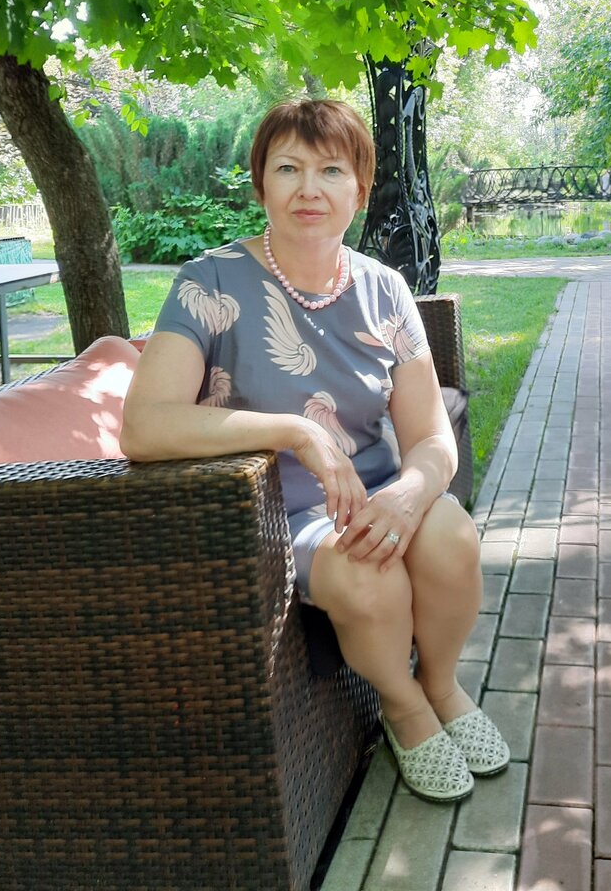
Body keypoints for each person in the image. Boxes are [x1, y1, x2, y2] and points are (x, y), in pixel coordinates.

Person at [120, 99, 509, 803]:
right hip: (275, 510)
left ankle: (441, 684)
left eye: (331, 171)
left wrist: (411, 492)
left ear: (359, 190)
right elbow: (145, 426)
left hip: (380, 491)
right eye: (288, 169)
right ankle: (403, 708)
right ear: (260, 184)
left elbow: (429, 436)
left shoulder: (386, 290)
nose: (309, 189)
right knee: (366, 575)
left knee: (452, 536)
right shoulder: (208, 282)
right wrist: (296, 432)